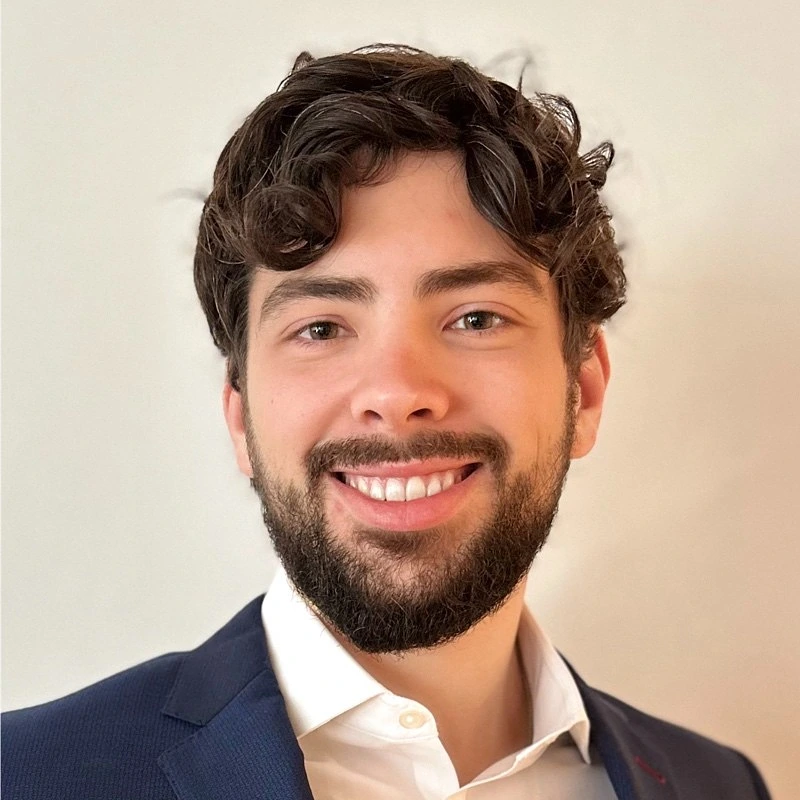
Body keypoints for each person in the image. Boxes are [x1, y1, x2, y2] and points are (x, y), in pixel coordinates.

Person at [2, 45, 771, 800]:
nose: (397, 392)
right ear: (240, 416)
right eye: (321, 328)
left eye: (476, 318)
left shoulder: (721, 786)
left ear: (585, 392)